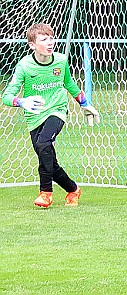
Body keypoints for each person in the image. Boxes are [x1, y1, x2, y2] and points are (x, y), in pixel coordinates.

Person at [2, 23, 100, 208]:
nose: (50, 43)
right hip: (34, 117)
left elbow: (69, 84)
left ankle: (45, 193)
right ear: (32, 45)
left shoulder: (61, 61)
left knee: (43, 143)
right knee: (47, 158)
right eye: (44, 39)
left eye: (51, 38)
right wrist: (22, 102)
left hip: (57, 109)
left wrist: (85, 104)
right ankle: (73, 189)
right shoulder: (24, 66)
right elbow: (6, 96)